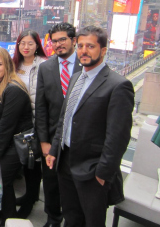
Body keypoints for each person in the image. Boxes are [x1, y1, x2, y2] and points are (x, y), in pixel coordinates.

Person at [46, 26, 134, 227]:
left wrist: (103, 173)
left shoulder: (118, 86)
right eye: (81, 46)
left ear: (103, 50)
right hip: (65, 160)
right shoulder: (77, 76)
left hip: (92, 169)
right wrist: (54, 150)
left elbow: (118, 137)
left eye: (91, 46)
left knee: (92, 222)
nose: (84, 51)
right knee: (71, 216)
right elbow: (65, 118)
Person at [34, 22, 81, 227]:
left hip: (79, 138)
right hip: (52, 137)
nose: (58, 44)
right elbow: (41, 107)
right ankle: (53, 218)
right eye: (54, 41)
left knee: (74, 185)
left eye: (62, 39)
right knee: (51, 182)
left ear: (73, 40)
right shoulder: (46, 67)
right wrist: (44, 141)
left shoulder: (86, 64)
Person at [0, 48, 33, 226]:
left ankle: (8, 217)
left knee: (4, 179)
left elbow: (7, 126)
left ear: (7, 65)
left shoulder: (14, 89)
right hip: (1, 140)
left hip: (16, 143)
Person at [12, 30, 47, 218]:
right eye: (22, 43)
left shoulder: (44, 65)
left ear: (37, 45)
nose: (26, 47)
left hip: (34, 121)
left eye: (30, 43)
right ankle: (28, 195)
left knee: (33, 162)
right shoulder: (14, 64)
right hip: (16, 121)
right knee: (22, 161)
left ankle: (31, 199)